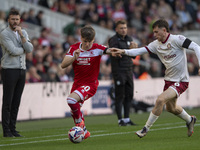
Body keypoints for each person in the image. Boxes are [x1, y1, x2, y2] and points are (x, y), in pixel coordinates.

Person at [110, 19, 199, 138]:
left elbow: (196, 47)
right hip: (169, 80)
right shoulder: (155, 44)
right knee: (171, 108)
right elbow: (140, 51)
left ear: (164, 30)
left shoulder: (177, 39)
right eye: (154, 33)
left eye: (157, 32)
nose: (155, 35)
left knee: (160, 100)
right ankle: (190, 119)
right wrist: (123, 51)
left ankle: (145, 129)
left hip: (181, 81)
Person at [61, 25, 112, 140]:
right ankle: (84, 132)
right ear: (81, 38)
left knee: (71, 100)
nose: (87, 44)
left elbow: (109, 50)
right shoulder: (74, 48)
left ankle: (80, 125)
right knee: (74, 108)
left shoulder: (97, 48)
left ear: (93, 40)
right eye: (85, 41)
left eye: (90, 41)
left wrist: (119, 52)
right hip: (77, 84)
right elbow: (63, 64)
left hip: (90, 84)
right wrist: (74, 57)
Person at [0, 9, 33, 137]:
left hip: (21, 69)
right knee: (7, 101)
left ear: (20, 20)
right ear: (8, 20)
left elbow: (30, 48)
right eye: (13, 19)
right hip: (9, 70)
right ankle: (6, 130)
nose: (15, 21)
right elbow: (13, 51)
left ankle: (13, 128)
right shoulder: (4, 33)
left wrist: (22, 36)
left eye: (17, 19)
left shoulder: (22, 32)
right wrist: (24, 49)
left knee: (16, 101)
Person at [108, 20, 136, 126]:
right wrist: (128, 49)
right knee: (120, 95)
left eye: (125, 28)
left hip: (129, 70)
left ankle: (127, 119)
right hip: (119, 71)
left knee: (129, 95)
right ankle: (120, 120)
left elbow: (133, 56)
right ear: (116, 29)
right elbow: (115, 53)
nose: (124, 30)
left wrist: (134, 50)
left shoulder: (129, 39)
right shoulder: (113, 40)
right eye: (121, 28)